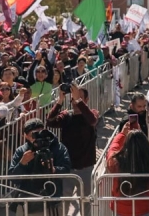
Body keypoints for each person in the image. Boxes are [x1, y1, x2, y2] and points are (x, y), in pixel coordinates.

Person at [46, 84, 99, 216]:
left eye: (80, 97)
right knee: (64, 201)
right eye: (74, 96)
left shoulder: (92, 113)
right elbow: (50, 121)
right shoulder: (66, 116)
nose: (75, 100)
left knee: (86, 201)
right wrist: (59, 101)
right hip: (68, 166)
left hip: (85, 167)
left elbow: (92, 120)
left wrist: (78, 101)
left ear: (86, 100)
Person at [9, 118, 72, 216]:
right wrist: (22, 163)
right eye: (33, 135)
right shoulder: (21, 151)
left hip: (53, 199)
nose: (38, 138)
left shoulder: (58, 147)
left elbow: (66, 169)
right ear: (25, 136)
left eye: (40, 134)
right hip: (27, 202)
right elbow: (13, 178)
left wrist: (53, 169)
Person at [106, 125, 149, 216]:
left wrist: (122, 134)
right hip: (146, 209)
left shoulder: (116, 163)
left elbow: (111, 150)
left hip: (121, 209)